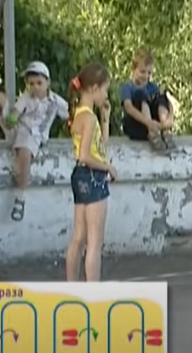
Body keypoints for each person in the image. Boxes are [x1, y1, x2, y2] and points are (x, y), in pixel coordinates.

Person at [0, 61, 68, 222]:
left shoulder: (56, 101)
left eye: (39, 83)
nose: (35, 87)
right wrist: (11, 118)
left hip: (34, 136)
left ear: (48, 83)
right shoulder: (26, 97)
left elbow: (69, 114)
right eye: (31, 84)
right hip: (17, 129)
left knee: (25, 152)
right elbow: (16, 112)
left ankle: (20, 196)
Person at [65, 62, 117, 282]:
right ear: (94, 88)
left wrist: (105, 119)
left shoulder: (79, 115)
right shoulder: (89, 118)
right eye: (104, 90)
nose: (105, 95)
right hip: (93, 176)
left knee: (79, 237)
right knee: (94, 242)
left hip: (80, 176)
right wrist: (108, 167)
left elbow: (100, 147)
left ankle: (72, 286)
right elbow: (85, 155)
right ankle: (92, 291)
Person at [120, 48, 175, 151]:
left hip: (155, 124)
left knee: (161, 95)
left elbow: (168, 103)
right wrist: (149, 123)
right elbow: (128, 107)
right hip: (137, 125)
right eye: (142, 72)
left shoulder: (152, 87)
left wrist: (170, 118)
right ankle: (152, 132)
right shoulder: (128, 87)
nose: (146, 76)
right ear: (133, 70)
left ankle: (165, 130)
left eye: (149, 73)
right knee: (140, 94)